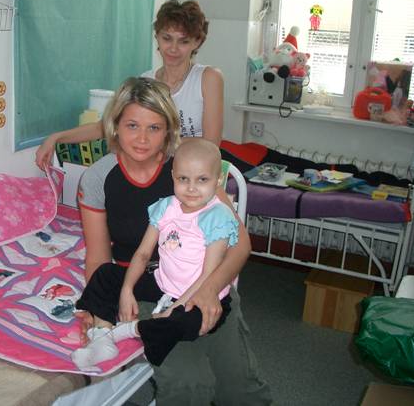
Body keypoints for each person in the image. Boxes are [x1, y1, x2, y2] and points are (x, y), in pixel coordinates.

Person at [75, 76, 271, 405]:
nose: (142, 138)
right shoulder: (98, 177)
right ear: (115, 125)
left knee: (240, 389)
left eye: (154, 127)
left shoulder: (188, 170)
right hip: (146, 289)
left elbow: (240, 244)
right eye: (132, 125)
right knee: (189, 385)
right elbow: (97, 258)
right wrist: (100, 309)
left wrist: (210, 289)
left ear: (168, 130)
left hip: (207, 280)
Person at [71, 139, 239, 370]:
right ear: (173, 177)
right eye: (183, 179)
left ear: (218, 180)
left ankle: (128, 330)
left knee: (185, 323)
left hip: (200, 294)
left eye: (202, 179)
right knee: (105, 274)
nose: (191, 188)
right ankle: (102, 334)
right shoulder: (166, 207)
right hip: (163, 282)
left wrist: (174, 309)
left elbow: (208, 275)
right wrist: (127, 289)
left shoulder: (218, 217)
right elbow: (142, 254)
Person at [34, 0, 224, 170]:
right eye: (167, 38)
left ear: (197, 42)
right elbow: (106, 126)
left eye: (183, 41)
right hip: (154, 167)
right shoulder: (146, 81)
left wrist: (154, 142)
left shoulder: (208, 78)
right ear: (157, 37)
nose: (173, 48)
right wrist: (56, 138)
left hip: (195, 171)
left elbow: (210, 143)